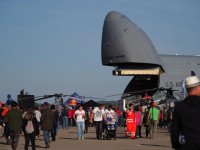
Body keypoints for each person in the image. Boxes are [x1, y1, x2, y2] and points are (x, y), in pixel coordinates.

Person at [171, 76, 200, 150]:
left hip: (186, 144)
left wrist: (175, 144)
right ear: (197, 88)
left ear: (187, 89)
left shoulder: (180, 106)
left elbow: (174, 129)